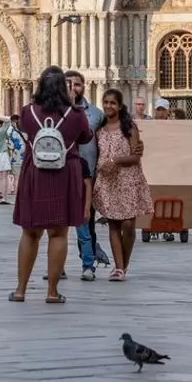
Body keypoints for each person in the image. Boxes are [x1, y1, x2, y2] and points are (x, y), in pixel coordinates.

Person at [10, 66, 93, 305]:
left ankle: (20, 290)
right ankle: (52, 292)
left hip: (34, 174)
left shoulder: (27, 112)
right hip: (64, 174)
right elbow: (86, 137)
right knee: (58, 233)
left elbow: (24, 129)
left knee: (29, 232)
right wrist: (73, 104)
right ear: (64, 88)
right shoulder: (76, 114)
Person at [94, 88, 151, 280]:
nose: (109, 106)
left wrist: (116, 161)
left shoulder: (128, 126)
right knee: (113, 225)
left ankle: (123, 264)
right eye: (106, 102)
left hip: (128, 179)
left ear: (119, 106)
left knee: (128, 225)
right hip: (108, 182)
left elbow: (136, 156)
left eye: (113, 103)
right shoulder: (99, 128)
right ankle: (118, 268)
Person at [66, 71, 104, 280]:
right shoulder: (53, 113)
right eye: (68, 84)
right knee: (57, 224)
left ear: (85, 86)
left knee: (86, 222)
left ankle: (87, 263)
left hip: (86, 173)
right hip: (59, 174)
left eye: (77, 84)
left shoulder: (96, 115)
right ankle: (58, 265)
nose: (73, 88)